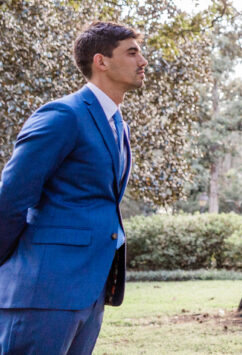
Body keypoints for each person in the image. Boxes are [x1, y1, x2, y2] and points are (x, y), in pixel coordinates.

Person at [0, 21, 145, 354]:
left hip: (89, 294)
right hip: (43, 292)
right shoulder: (63, 115)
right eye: (132, 52)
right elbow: (11, 198)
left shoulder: (116, 124)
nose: (143, 62)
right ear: (101, 61)